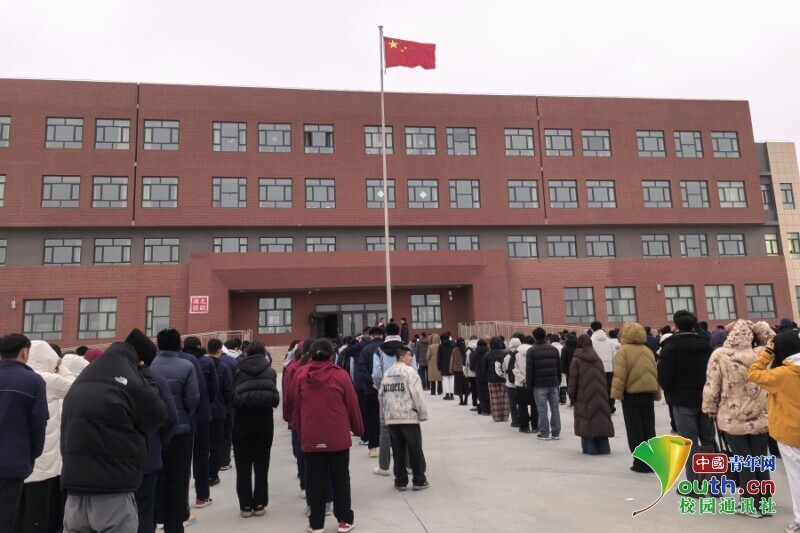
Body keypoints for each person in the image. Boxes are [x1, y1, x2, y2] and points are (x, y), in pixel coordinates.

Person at [61, 342, 168, 533]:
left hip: (75, 490)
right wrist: (145, 377)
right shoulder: (128, 382)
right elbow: (157, 415)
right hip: (113, 489)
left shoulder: (79, 382)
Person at [702, 320, 771, 515]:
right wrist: (757, 327)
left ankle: (750, 503)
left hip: (732, 416)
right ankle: (765, 503)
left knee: (743, 459)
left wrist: (709, 407)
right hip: (760, 415)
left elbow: (712, 385)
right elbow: (774, 340)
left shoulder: (720, 355)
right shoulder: (761, 354)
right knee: (760, 458)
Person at [295, 339, 363, 533]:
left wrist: (301, 433)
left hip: (312, 436)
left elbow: (296, 408)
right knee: (340, 478)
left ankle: (316, 524)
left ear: (311, 354)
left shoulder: (301, 376)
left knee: (314, 480)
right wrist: (358, 429)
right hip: (337, 437)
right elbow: (352, 405)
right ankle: (344, 520)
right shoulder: (340, 375)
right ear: (332, 355)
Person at [18, 341, 74, 533]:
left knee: (17, 512)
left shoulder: (19, 376)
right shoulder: (47, 379)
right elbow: (74, 386)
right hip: (42, 460)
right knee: (37, 515)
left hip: (17, 459)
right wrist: (61, 366)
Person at [125, 328, 178, 533]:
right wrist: (157, 443)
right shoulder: (155, 379)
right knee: (145, 510)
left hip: (116, 460)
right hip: (148, 458)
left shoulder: (110, 378)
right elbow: (170, 418)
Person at [748, 325, 800, 531]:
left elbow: (754, 373)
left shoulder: (782, 375)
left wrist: (767, 352)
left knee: (796, 478)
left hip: (790, 433)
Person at [149, 329, 200, 533]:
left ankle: (156, 518)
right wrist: (183, 415)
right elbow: (193, 399)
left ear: (158, 345)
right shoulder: (186, 366)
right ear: (179, 344)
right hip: (180, 432)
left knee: (155, 479)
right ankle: (174, 525)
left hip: (153, 433)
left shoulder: (149, 366)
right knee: (178, 479)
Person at [658, 310, 714, 487]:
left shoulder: (670, 347)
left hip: (682, 400)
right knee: (708, 441)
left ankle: (694, 484)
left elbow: (664, 376)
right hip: (705, 399)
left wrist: (671, 392)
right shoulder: (707, 346)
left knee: (689, 443)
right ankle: (712, 483)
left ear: (675, 325)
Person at [0, 334, 48, 533]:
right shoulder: (33, 381)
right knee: (4, 520)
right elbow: (38, 424)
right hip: (13, 462)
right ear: (24, 352)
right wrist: (30, 456)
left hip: (13, 461)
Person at [232, 341, 279, 518]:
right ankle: (259, 504)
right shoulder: (270, 372)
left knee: (242, 466)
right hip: (264, 420)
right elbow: (274, 398)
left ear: (247, 353)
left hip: (242, 421)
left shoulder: (238, 371)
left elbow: (232, 396)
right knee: (261, 464)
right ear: (264, 353)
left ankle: (245, 506)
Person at [610, 323, 660, 473]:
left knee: (634, 429)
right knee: (649, 427)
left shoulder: (623, 351)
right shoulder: (647, 350)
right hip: (648, 393)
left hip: (631, 395)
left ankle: (640, 462)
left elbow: (620, 375)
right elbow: (654, 372)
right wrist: (657, 392)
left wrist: (616, 394)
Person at [379, 344, 429, 491]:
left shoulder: (387, 374)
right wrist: (422, 413)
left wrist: (383, 415)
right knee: (415, 449)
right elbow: (417, 394)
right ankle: (419, 480)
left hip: (392, 417)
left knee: (397, 450)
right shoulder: (410, 372)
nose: (411, 358)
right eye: (409, 355)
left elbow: (381, 396)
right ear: (401, 357)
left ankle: (400, 481)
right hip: (408, 416)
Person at [182, 337, 218, 509]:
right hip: (202, 415)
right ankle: (202, 497)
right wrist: (206, 405)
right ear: (199, 346)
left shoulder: (179, 360)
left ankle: (181, 503)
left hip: (182, 417)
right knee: (202, 455)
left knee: (183, 459)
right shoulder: (206, 361)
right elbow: (213, 388)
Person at [372, 323, 408, 476]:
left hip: (386, 392)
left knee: (385, 430)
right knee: (407, 427)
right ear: (399, 332)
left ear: (385, 333)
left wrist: (380, 386)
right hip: (405, 392)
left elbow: (376, 374)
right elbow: (414, 370)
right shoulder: (406, 349)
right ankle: (409, 465)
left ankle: (384, 467)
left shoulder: (379, 350)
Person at [568, 335, 614, 455]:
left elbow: (573, 380)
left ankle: (590, 448)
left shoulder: (576, 359)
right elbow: (603, 377)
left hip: (583, 393)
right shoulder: (597, 358)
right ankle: (604, 447)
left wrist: (571, 396)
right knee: (600, 418)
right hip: (600, 393)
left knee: (586, 418)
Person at [527, 328, 561, 440]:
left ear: (534, 337)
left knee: (542, 409)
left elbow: (529, 370)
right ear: (545, 336)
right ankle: (556, 432)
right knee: (555, 409)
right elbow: (559, 367)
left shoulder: (531, 350)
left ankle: (544, 432)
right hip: (553, 383)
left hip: (539, 384)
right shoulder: (553, 349)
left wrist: (529, 384)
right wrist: (558, 380)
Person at [207, 339, 232, 487]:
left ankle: (201, 475)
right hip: (219, 410)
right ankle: (213, 475)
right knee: (216, 445)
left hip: (203, 411)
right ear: (219, 351)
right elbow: (228, 389)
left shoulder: (199, 365)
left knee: (203, 446)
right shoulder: (224, 367)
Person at [355, 328, 383, 461]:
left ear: (370, 336)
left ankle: (373, 447)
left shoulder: (365, 350)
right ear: (382, 335)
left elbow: (362, 368)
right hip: (386, 389)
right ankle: (390, 446)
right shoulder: (386, 348)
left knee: (372, 418)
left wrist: (371, 382)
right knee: (387, 418)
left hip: (370, 389)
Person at [590, 322, 617, 414]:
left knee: (597, 389)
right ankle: (611, 406)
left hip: (596, 368)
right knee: (609, 388)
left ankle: (599, 407)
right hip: (609, 368)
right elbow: (614, 357)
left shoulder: (591, 341)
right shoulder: (610, 341)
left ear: (592, 329)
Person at [513, 335, 535, 433]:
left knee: (522, 406)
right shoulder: (535, 352)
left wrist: (522, 378)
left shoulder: (517, 353)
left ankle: (524, 426)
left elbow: (514, 368)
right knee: (535, 406)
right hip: (533, 383)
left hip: (520, 384)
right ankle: (535, 426)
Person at [484, 337, 509, 422]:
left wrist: (488, 374)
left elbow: (484, 368)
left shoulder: (487, 354)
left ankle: (497, 417)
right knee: (505, 398)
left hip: (492, 379)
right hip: (504, 378)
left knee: (494, 398)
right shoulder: (506, 353)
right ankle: (505, 417)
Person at [500, 338, 521, 426]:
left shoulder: (506, 355)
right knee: (521, 402)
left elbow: (503, 368)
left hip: (509, 382)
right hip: (520, 381)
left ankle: (515, 421)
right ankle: (522, 418)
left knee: (512, 402)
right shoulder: (521, 354)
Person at [473, 339, 491, 415]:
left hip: (479, 376)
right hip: (488, 375)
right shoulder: (489, 352)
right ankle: (490, 409)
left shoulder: (475, 353)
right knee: (489, 392)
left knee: (481, 393)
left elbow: (472, 366)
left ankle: (484, 410)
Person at [451, 338, 469, 405]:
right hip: (465, 370)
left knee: (459, 386)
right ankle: (466, 399)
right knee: (466, 385)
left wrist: (451, 369)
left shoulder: (455, 350)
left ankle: (461, 400)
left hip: (457, 370)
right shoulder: (466, 349)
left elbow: (452, 360)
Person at [560, 334, 577, 407]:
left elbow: (563, 360)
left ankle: (572, 401)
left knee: (570, 385)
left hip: (569, 370)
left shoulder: (565, 348)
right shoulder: (578, 348)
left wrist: (563, 370)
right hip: (578, 369)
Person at [438, 334, 456, 400]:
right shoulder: (453, 345)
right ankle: (452, 394)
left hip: (443, 364)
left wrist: (438, 366)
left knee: (445, 379)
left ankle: (447, 394)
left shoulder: (441, 346)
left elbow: (439, 357)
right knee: (452, 379)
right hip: (452, 364)